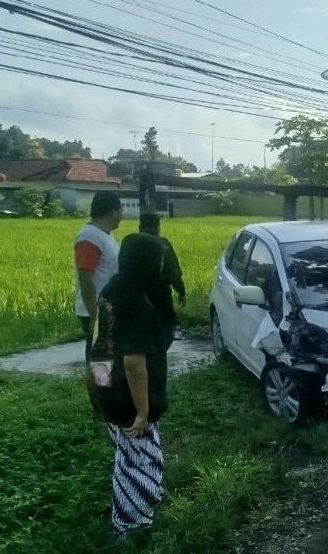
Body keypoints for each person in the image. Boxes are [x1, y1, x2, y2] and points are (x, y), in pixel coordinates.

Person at [89, 233, 169, 537]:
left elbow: (100, 344)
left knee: (126, 456)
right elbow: (134, 364)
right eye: (158, 262)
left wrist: (100, 396)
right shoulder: (136, 303)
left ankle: (129, 513)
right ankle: (131, 525)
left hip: (110, 390)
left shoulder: (111, 289)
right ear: (147, 264)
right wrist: (142, 411)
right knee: (143, 464)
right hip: (130, 399)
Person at [74, 190, 122, 416]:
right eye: (120, 210)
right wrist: (94, 314)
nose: (122, 215)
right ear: (113, 211)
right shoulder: (89, 237)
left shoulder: (104, 235)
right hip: (97, 311)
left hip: (106, 310)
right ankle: (100, 411)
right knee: (99, 362)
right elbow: (85, 278)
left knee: (105, 360)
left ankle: (107, 405)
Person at [139, 213, 186, 351]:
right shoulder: (163, 244)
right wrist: (181, 291)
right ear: (158, 227)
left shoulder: (131, 244)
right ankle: (157, 357)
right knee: (166, 327)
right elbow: (173, 271)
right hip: (160, 295)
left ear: (139, 227)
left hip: (137, 296)